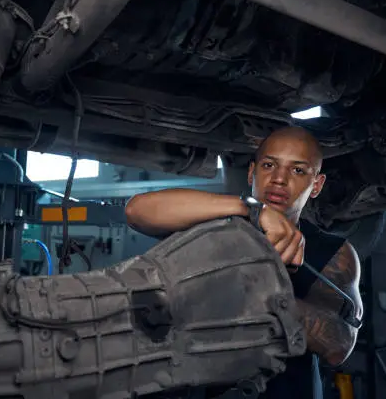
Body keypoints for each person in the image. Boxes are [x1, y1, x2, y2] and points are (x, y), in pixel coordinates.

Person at [124, 126, 363, 399]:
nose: (279, 179)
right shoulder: (212, 227)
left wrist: (261, 288)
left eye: (297, 170)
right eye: (269, 165)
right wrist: (248, 209)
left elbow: (339, 345)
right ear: (252, 172)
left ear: (317, 185)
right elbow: (136, 210)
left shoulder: (333, 251)